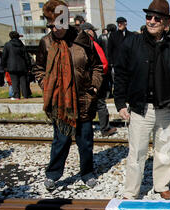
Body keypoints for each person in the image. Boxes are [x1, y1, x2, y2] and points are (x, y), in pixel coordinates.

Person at [33, 0, 104, 190]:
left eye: (58, 24)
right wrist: (46, 85)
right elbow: (38, 69)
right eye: (51, 25)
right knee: (61, 141)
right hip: (61, 102)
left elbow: (97, 66)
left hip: (84, 100)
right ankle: (53, 174)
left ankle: (87, 173)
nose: (55, 29)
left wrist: (94, 88)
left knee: (86, 142)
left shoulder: (83, 39)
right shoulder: (46, 43)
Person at [114, 0, 170, 200]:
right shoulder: (131, 42)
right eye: (149, 17)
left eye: (157, 18)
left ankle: (161, 185)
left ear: (165, 22)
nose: (151, 21)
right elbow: (121, 74)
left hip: (165, 107)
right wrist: (120, 103)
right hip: (141, 107)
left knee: (165, 150)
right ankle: (131, 191)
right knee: (137, 152)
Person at [81, 22, 117, 137]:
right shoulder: (93, 44)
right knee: (100, 103)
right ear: (88, 31)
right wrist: (101, 77)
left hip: (81, 81)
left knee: (83, 106)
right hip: (95, 80)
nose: (94, 32)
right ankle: (105, 129)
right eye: (93, 30)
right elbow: (103, 63)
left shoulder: (75, 45)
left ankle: (81, 130)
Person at [2, 31, 31, 100]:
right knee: (23, 81)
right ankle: (25, 96)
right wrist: (29, 66)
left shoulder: (7, 45)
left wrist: (4, 66)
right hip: (22, 66)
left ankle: (17, 96)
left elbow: (4, 56)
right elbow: (26, 57)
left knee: (14, 82)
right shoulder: (22, 45)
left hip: (11, 66)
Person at [108, 16, 133, 85]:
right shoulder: (113, 35)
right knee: (118, 83)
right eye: (118, 23)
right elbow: (109, 50)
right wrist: (111, 63)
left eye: (121, 23)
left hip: (129, 63)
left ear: (125, 24)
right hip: (117, 64)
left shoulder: (131, 35)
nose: (119, 25)